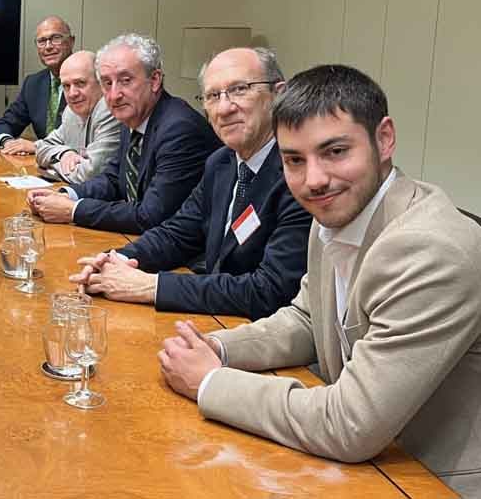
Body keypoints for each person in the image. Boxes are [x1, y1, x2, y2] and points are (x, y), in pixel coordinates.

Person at [157, 64, 481, 496]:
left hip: (430, 481)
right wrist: (216, 348)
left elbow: (351, 424)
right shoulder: (336, 212)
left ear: (385, 139)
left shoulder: (431, 248)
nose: (313, 180)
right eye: (294, 160)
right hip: (365, 468)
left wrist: (211, 382)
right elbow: (306, 320)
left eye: (335, 151)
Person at [69, 48, 312, 319]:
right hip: (217, 318)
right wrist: (117, 260)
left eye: (239, 89)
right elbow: (179, 233)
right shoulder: (221, 162)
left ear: (278, 94)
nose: (224, 108)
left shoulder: (302, 174)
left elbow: (271, 291)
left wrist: (151, 287)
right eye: (213, 96)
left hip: (260, 332)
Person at [26, 33, 220, 234]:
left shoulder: (179, 128)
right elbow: (113, 179)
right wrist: (66, 194)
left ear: (154, 80)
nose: (114, 95)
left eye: (125, 81)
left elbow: (151, 215)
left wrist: (73, 210)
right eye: (107, 83)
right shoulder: (133, 116)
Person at [0, 16, 73, 153]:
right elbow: (4, 124)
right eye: (42, 41)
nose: (48, 46)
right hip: (41, 163)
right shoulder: (33, 84)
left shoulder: (90, 79)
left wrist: (37, 147)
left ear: (71, 42)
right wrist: (8, 142)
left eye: (56, 38)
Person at [34, 51, 121, 183]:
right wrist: (64, 154)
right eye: (66, 86)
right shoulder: (71, 112)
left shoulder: (110, 110)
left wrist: (52, 167)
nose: (72, 93)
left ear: (101, 83)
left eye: (80, 83)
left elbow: (91, 174)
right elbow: (41, 148)